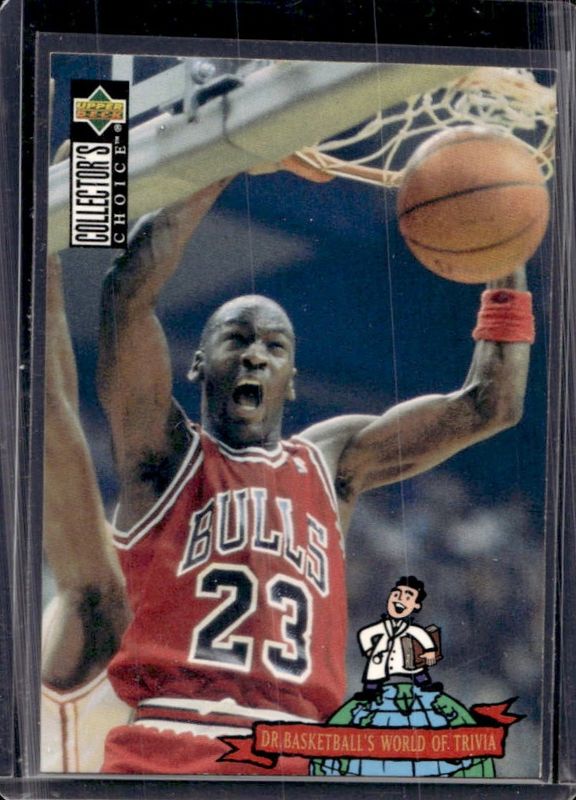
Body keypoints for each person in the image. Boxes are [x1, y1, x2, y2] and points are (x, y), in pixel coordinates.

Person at [96, 157, 534, 775]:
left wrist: (505, 251)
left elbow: (492, 404)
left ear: (293, 380)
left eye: (273, 346)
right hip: (174, 742)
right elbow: (126, 294)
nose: (255, 356)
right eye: (237, 339)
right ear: (196, 363)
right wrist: (229, 154)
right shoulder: (164, 455)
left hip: (296, 754)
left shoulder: (332, 463)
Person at [41, 252, 131, 772]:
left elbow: (52, 419)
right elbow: (56, 418)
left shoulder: (101, 599)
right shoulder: (102, 600)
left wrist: (41, 277)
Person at [356, 576, 440, 700]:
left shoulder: (409, 628)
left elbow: (422, 635)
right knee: (374, 674)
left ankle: (425, 685)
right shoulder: (384, 626)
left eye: (408, 597)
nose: (400, 599)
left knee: (417, 671)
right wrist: (369, 650)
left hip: (404, 655)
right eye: (396, 595)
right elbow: (365, 634)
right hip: (382, 657)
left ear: (416, 605)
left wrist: (430, 650)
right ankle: (370, 692)